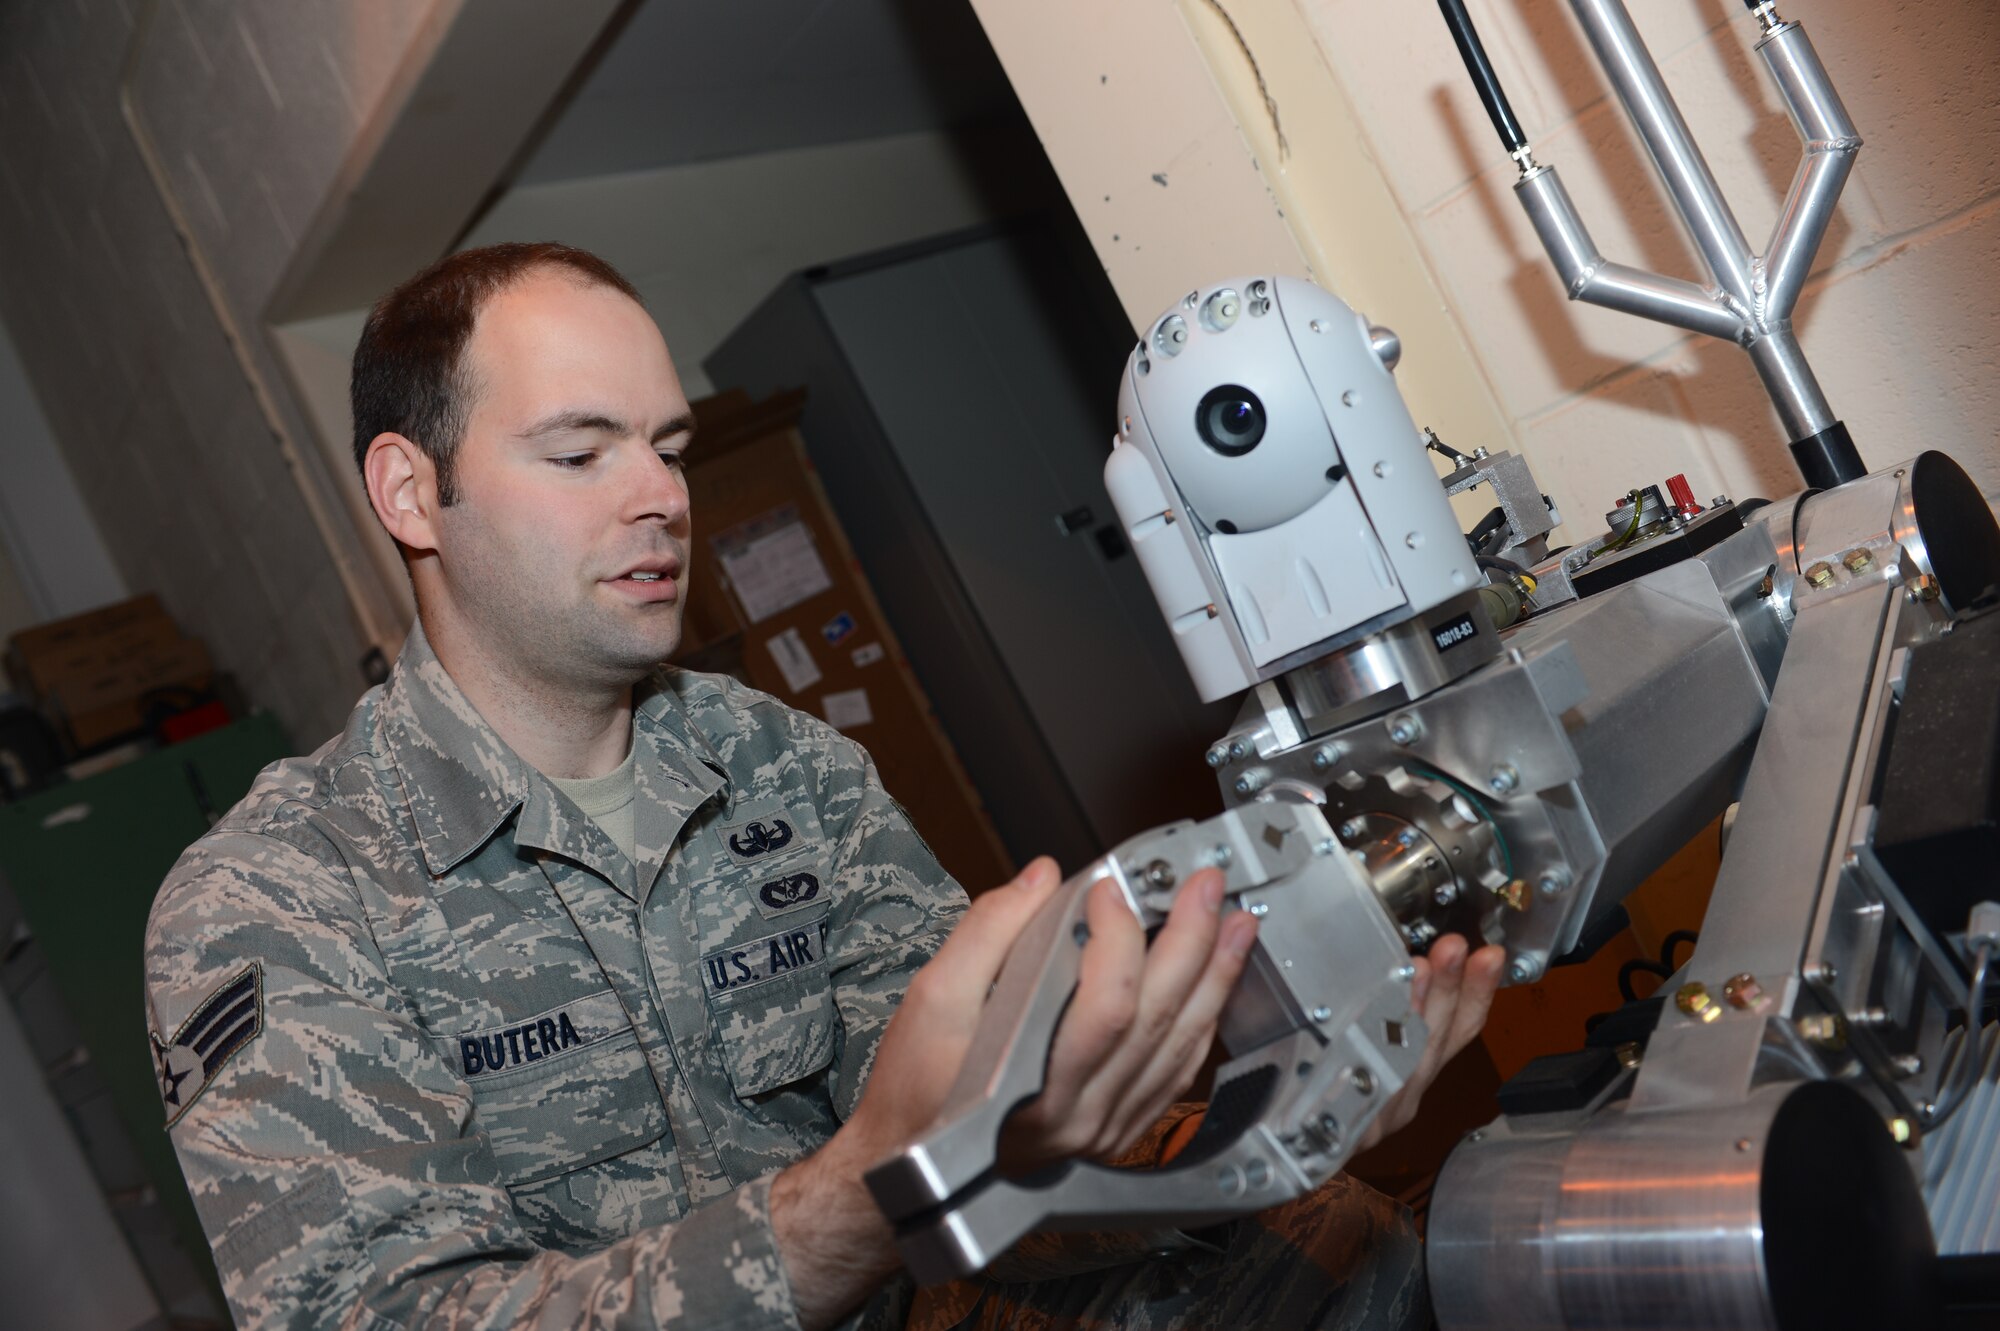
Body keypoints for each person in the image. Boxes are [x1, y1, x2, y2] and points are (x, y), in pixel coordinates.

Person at [144, 242, 1504, 1331]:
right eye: (581, 452)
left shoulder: (776, 764)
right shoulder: (273, 898)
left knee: (1372, 1254)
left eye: (668, 448)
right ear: (410, 491)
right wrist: (867, 1192)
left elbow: (996, 1173)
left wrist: (1263, 1136)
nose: (662, 498)